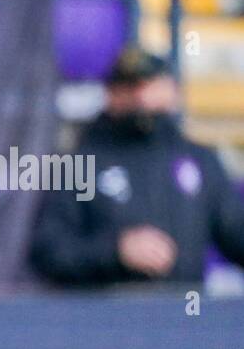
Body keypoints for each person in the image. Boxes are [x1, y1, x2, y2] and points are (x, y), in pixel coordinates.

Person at [29, 46, 244, 285]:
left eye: (149, 84)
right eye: (129, 87)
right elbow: (48, 252)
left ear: (171, 89)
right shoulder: (80, 163)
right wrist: (115, 251)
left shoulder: (198, 159)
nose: (141, 97)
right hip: (108, 316)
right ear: (111, 94)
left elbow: (233, 231)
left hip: (185, 314)